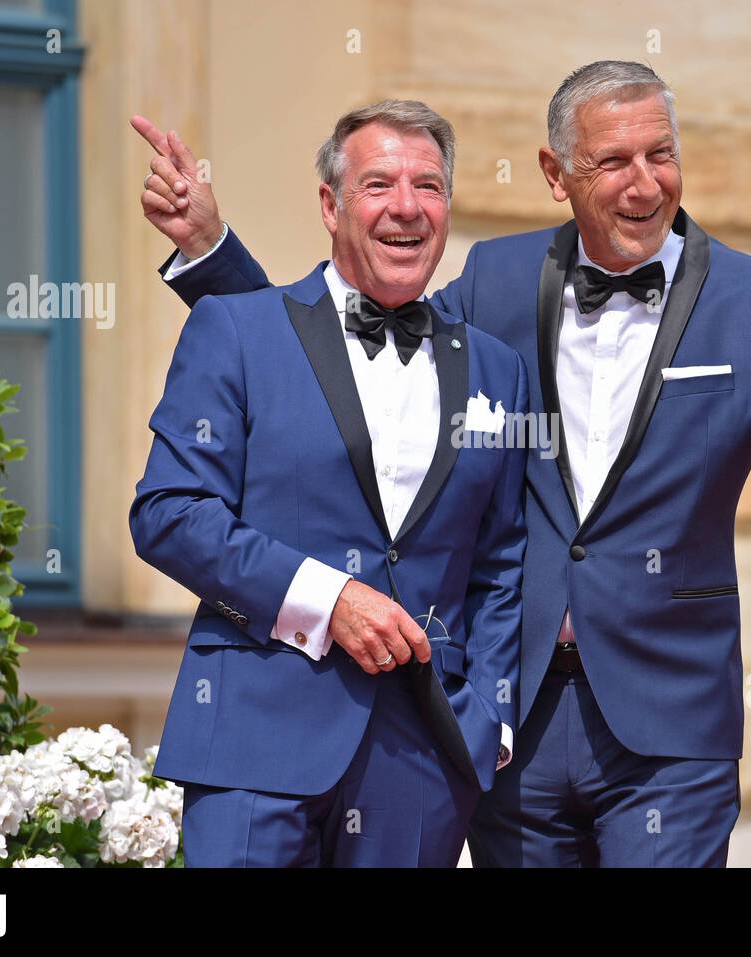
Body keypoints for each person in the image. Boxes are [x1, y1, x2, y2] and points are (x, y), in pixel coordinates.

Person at [135, 59, 751, 867]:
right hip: (517, 727)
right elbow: (337, 356)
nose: (644, 184)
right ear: (555, 174)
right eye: (612, 161)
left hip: (670, 722)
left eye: (660, 155)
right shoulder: (497, 278)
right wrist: (213, 254)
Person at [128, 100, 527, 867]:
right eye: (378, 184)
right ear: (330, 204)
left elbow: (502, 560)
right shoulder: (236, 330)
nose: (407, 207)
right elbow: (170, 513)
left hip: (423, 760)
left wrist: (493, 720)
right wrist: (329, 599)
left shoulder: (497, 369)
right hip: (253, 742)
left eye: (430, 186)